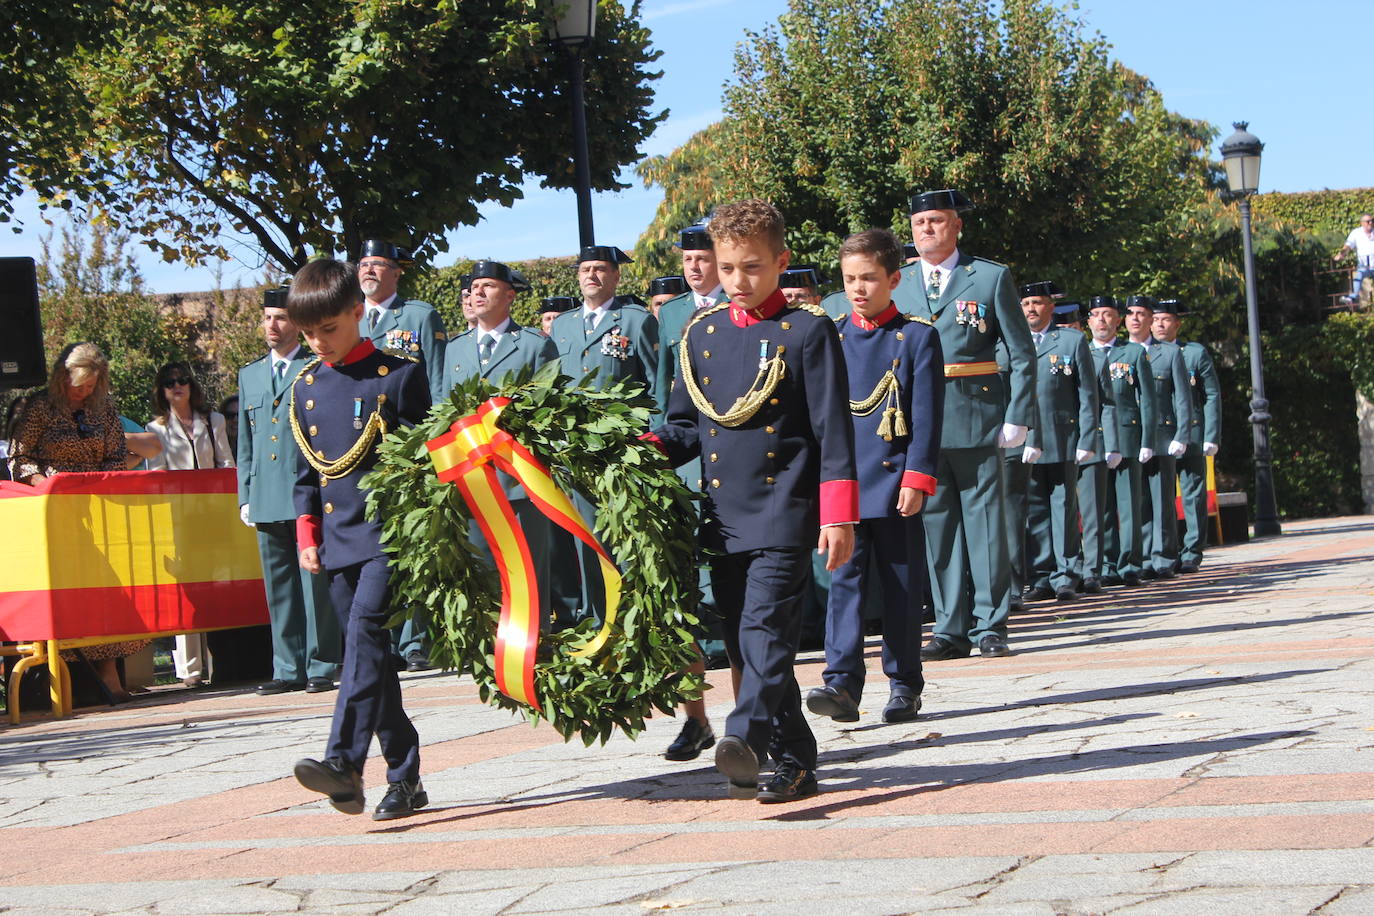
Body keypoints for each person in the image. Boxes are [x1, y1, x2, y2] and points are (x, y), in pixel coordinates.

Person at [647, 198, 857, 804]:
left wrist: (839, 514)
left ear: (781, 262)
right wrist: (637, 448)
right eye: (729, 267)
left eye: (753, 268)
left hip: (783, 509)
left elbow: (832, 431)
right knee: (745, 641)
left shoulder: (807, 330)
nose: (739, 281)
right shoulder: (702, 334)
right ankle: (795, 761)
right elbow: (686, 426)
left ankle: (743, 736)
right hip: (723, 513)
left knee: (765, 634)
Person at [288, 258, 432, 821]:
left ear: (357, 312)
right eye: (309, 334)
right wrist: (308, 533)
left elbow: (423, 460)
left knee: (365, 640)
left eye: (329, 329)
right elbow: (307, 473)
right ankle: (406, 777)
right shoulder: (305, 385)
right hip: (338, 538)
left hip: (388, 535)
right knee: (370, 662)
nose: (319, 343)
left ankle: (343, 763)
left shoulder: (396, 375)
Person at [806, 228, 942, 726]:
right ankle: (841, 681)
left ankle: (905, 682)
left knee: (902, 586)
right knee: (843, 581)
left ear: (894, 279)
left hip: (893, 478)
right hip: (844, 483)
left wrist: (917, 476)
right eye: (849, 279)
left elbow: (926, 415)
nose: (858, 289)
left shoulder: (917, 336)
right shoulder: (831, 336)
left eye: (868, 278)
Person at [890, 190, 1035, 661]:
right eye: (919, 223)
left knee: (986, 524)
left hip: (977, 415)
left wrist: (1018, 416)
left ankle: (991, 624)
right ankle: (950, 627)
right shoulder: (901, 282)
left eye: (935, 221)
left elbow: (1019, 350)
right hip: (920, 421)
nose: (926, 230)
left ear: (956, 227)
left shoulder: (989, 278)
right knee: (938, 526)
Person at [7, 343, 148, 700]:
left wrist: (101, 483)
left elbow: (117, 456)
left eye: (90, 386)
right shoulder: (37, 407)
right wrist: (49, 486)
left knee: (106, 597)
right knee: (61, 597)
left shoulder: (105, 409)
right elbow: (19, 459)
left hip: (98, 512)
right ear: (62, 376)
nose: (83, 392)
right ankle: (59, 682)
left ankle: (110, 675)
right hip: (51, 516)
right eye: (78, 385)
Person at [651, 225, 733, 764]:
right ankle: (695, 719)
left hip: (738, 467)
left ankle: (750, 723)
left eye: (705, 259)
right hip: (686, 468)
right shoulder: (675, 316)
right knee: (681, 603)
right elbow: (668, 398)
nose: (696, 268)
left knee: (736, 607)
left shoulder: (741, 307)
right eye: (689, 260)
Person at [548, 245, 661, 628]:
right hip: (572, 449)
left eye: (600, 269)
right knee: (584, 535)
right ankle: (596, 617)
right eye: (585, 269)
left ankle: (632, 614)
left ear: (616, 277)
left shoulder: (634, 320)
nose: (592, 276)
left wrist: (650, 439)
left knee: (623, 533)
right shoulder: (562, 325)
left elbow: (654, 384)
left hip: (620, 448)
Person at [237, 285, 341, 696]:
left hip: (304, 492)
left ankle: (320, 662)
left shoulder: (315, 367)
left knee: (313, 583)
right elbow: (245, 440)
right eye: (267, 318)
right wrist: (244, 492)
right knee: (278, 586)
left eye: (280, 318)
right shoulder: (251, 374)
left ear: (297, 323)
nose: (272, 326)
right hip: (264, 494)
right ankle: (286, 666)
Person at [356, 240, 447, 669]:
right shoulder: (351, 318)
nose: (368, 271)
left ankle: (415, 641)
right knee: (373, 547)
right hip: (362, 451)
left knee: (412, 545)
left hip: (411, 445)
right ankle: (384, 640)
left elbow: (441, 380)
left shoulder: (418, 316)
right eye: (363, 264)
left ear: (397, 272)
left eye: (377, 265)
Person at [145, 361, 234, 688]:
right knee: (187, 592)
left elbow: (226, 464)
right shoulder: (155, 428)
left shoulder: (214, 421)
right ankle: (190, 671)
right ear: (162, 390)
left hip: (212, 514)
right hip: (178, 518)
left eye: (182, 380)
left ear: (191, 385)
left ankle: (223, 662)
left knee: (218, 584)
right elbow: (157, 475)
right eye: (169, 382)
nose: (177, 386)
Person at [1012, 283, 1099, 603]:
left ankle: (1066, 574)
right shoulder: (1014, 340)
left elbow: (1088, 394)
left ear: (1051, 306)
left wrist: (1087, 437)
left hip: (1062, 437)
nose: (1031, 309)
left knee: (1063, 507)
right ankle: (1042, 575)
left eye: (1037, 303)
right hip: (1026, 440)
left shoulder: (1072, 340)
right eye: (1025, 303)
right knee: (1034, 511)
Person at [1086, 297, 1157, 587]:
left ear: (1119, 320)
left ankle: (1129, 564)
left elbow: (1148, 400)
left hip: (1127, 437)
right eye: (1096, 315)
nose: (1102, 320)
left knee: (1129, 507)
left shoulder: (1133, 353)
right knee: (1098, 508)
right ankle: (1104, 564)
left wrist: (1147, 440)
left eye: (1108, 315)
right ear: (1088, 321)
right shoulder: (1083, 352)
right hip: (1094, 440)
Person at [1124, 296, 1192, 580]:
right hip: (1129, 436)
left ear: (1151, 319)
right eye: (1131, 314)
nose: (1136, 319)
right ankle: (1136, 558)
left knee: (1161, 500)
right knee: (1134, 502)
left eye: (1142, 314)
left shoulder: (1170, 353)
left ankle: (1163, 556)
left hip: (1163, 435)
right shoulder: (1117, 352)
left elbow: (1182, 397)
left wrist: (1182, 433)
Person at [1152, 299, 1221, 573]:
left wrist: (1211, 434)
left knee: (1192, 494)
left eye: (1165, 319)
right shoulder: (1144, 353)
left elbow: (1211, 394)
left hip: (1191, 432)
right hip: (1160, 434)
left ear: (1177, 323)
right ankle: (1164, 549)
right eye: (1155, 319)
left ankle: (1192, 549)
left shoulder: (1194, 353)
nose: (1159, 324)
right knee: (1160, 494)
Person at [1337, 214, 1374, 304]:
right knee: (1359, 275)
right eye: (1368, 221)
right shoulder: (1356, 233)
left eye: (1372, 221)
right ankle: (1352, 298)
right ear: (1362, 223)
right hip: (1364, 265)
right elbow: (1348, 246)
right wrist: (1341, 254)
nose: (1370, 223)